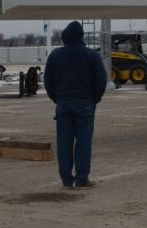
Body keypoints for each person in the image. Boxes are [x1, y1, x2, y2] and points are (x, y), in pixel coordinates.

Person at [43, 21, 107, 189]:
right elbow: (101, 80)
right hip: (85, 104)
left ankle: (66, 179)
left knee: (64, 142)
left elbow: (48, 81)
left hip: (63, 104)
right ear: (81, 36)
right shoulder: (92, 55)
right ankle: (82, 178)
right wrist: (95, 98)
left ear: (65, 36)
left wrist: (57, 98)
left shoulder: (55, 55)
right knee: (84, 142)